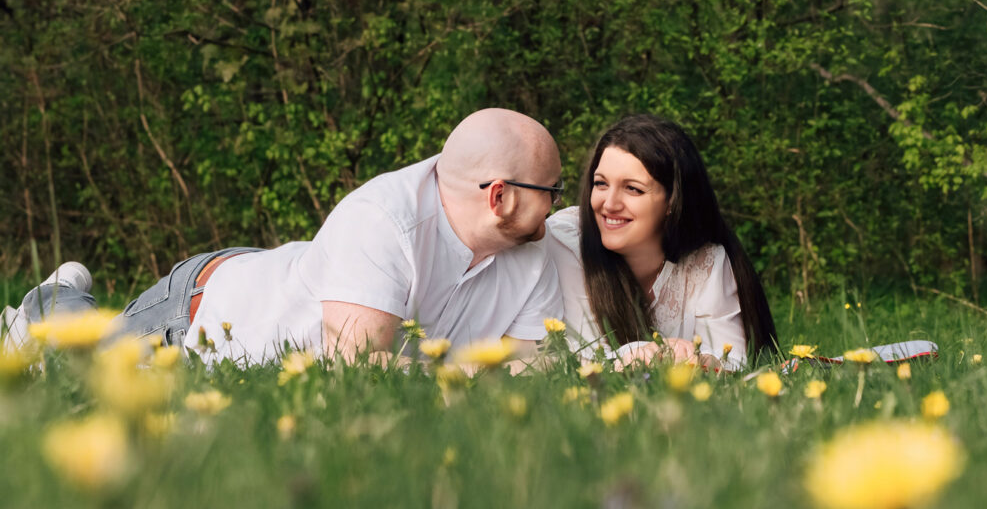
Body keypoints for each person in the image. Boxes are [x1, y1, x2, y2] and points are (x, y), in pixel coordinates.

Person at [3, 108, 566, 364]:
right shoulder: (382, 219)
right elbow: (361, 371)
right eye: (552, 190)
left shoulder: (531, 251)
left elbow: (533, 368)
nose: (557, 205)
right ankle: (47, 305)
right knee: (90, 358)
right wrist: (481, 372)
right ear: (500, 197)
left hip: (299, 280)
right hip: (208, 310)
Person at [545, 114, 776, 369]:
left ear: (672, 201)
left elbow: (737, 363)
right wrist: (645, 355)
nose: (609, 204)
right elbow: (579, 360)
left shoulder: (705, 262)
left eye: (633, 188)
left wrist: (699, 361)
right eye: (600, 184)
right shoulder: (565, 242)